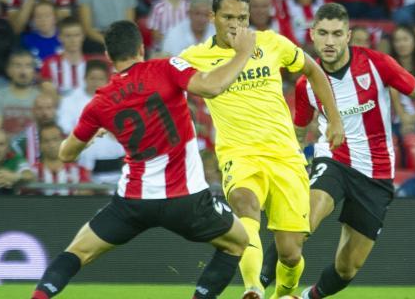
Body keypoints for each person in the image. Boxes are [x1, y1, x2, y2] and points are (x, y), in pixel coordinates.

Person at [30, 19, 256, 299]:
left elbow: (65, 154)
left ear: (109, 57)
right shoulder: (166, 67)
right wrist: (243, 53)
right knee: (237, 242)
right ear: (141, 47)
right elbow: (211, 86)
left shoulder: (99, 103)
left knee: (77, 251)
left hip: (133, 202)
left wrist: (91, 135)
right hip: (185, 199)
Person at [259, 3, 415, 298]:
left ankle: (306, 297)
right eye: (323, 34)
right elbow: (299, 130)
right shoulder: (307, 84)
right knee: (300, 224)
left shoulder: (377, 64)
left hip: (377, 173)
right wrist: (291, 162)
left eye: (336, 34)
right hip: (334, 159)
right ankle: (256, 288)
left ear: (348, 36)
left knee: (347, 269)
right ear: (312, 36)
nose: (329, 41)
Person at [179, 0, 345, 299]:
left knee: (290, 253)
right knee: (244, 204)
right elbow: (159, 85)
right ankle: (252, 288)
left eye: (242, 18)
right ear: (213, 17)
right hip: (239, 155)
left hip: (285, 156)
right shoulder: (196, 57)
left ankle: (285, 291)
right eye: (228, 17)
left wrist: (334, 119)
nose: (235, 25)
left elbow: (312, 69)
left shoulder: (270, 43)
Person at [57, 59, 124, 189]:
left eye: (100, 79)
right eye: (92, 78)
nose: (96, 82)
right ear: (85, 78)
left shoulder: (118, 99)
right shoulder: (69, 101)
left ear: (107, 80)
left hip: (116, 161)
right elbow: (65, 128)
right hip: (82, 158)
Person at [0, 51, 40, 138]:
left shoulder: (42, 98)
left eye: (28, 66)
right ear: (9, 71)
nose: (23, 71)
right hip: (5, 149)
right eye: (18, 66)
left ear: (34, 72)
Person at [33, 122, 92, 196]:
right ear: (40, 145)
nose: (51, 144)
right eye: (46, 141)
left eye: (55, 139)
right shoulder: (33, 172)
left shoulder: (79, 171)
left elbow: (88, 193)